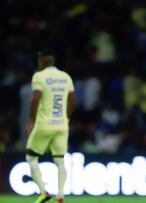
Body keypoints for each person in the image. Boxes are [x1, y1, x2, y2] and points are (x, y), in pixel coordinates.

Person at [25, 50, 75, 203]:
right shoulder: (65, 77)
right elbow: (71, 101)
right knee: (60, 160)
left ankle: (44, 192)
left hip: (44, 124)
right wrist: (66, 119)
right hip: (61, 125)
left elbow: (36, 98)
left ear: (40, 61)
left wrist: (31, 121)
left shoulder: (39, 76)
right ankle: (60, 196)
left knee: (31, 157)